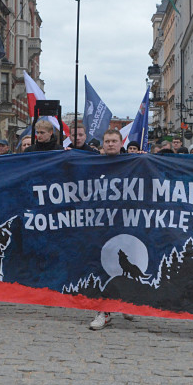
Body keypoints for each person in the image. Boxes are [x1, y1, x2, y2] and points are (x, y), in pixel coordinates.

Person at [89, 129, 136, 331]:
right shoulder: (93, 163)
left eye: (114, 141)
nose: (110, 144)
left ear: (121, 142)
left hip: (127, 223)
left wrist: (144, 158)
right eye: (106, 141)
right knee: (103, 267)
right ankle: (104, 311)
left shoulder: (134, 162)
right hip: (100, 224)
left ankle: (124, 302)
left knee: (123, 269)